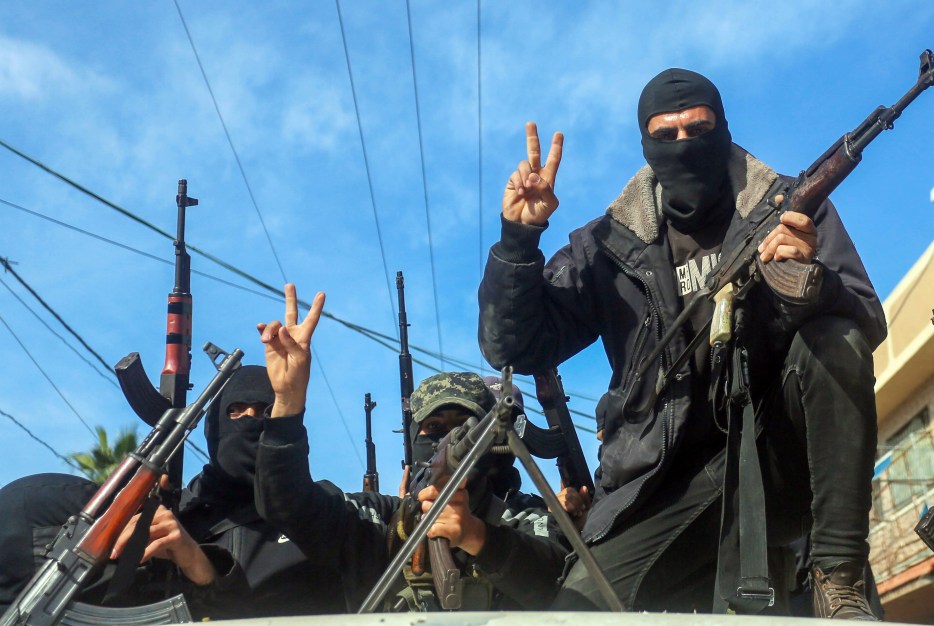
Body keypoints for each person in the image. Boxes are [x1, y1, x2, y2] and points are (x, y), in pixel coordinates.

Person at [478, 68, 885, 619]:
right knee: (579, 609)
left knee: (832, 335)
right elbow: (514, 346)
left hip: (780, 452)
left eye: (699, 128)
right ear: (645, 145)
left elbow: (862, 320)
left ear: (723, 127)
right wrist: (518, 238)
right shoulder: (606, 245)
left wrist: (813, 280)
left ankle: (839, 576)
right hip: (662, 482)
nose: (684, 144)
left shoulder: (789, 205)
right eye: (665, 135)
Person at [253, 284, 568, 611]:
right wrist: (287, 403)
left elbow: (562, 578)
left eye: (465, 426)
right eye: (433, 428)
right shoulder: (379, 519)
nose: (449, 436)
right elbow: (287, 505)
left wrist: (478, 537)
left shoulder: (517, 518)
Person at [0, 364, 344, 620]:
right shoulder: (173, 515)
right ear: (214, 427)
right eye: (235, 411)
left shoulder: (318, 517)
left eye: (265, 411)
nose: (249, 420)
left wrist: (203, 568)